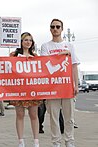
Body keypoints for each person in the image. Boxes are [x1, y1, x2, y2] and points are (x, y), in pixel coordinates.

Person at [40, 18, 79, 147]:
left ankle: (69, 141)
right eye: (53, 27)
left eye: (58, 27)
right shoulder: (46, 46)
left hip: (67, 86)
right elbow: (46, 62)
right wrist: (63, 54)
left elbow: (74, 66)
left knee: (69, 118)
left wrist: (76, 85)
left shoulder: (70, 46)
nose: (55, 29)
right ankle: (56, 142)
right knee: (53, 118)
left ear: (62, 29)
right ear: (50, 29)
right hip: (53, 87)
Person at [10, 32, 41, 147]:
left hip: (32, 89)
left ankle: (36, 141)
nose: (28, 42)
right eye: (25, 40)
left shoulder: (36, 56)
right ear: (21, 42)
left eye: (30, 40)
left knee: (34, 114)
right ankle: (21, 141)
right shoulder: (14, 55)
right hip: (18, 89)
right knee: (20, 114)